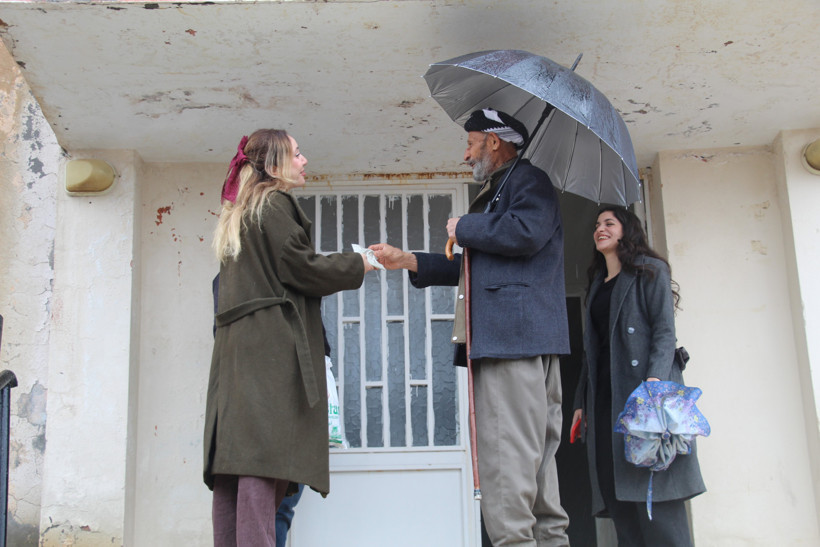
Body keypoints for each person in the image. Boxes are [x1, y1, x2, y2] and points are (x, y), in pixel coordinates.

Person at [371, 108, 571, 546]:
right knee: (536, 472)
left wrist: (465, 225)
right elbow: (480, 267)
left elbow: (525, 232)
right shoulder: (508, 187)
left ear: (494, 142)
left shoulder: (527, 180)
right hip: (524, 341)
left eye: (470, 143)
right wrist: (408, 260)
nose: (465, 154)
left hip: (510, 344)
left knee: (506, 466)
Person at [203, 129, 375, 547]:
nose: (304, 160)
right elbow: (302, 267)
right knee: (263, 465)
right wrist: (361, 262)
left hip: (237, 357)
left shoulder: (240, 210)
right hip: (269, 355)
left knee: (236, 469)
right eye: (297, 154)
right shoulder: (273, 203)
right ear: (274, 164)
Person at [570, 206, 706, 546]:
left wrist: (655, 384)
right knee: (619, 500)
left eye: (609, 223)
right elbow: (592, 351)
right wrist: (580, 403)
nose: (600, 229)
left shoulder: (650, 271)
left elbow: (664, 332)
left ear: (626, 230)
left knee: (656, 500)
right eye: (597, 224)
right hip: (605, 400)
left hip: (644, 397)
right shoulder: (597, 285)